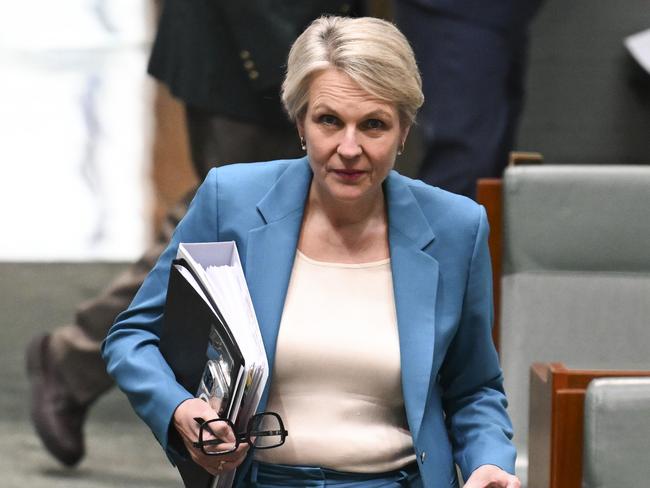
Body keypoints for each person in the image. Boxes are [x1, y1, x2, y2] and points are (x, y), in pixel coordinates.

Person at [102, 16, 520, 487]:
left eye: (374, 125)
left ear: (404, 132)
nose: (349, 147)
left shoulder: (456, 228)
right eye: (329, 121)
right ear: (300, 122)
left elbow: (475, 388)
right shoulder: (231, 201)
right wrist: (180, 410)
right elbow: (133, 336)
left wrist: (489, 462)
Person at [25, 0, 360, 468]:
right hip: (253, 45)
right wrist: (289, 64)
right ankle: (76, 359)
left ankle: (78, 360)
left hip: (291, 42)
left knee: (240, 219)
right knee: (222, 223)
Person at [394, 0, 544, 198]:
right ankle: (437, 229)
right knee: (462, 158)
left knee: (492, 166)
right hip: (457, 11)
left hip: (502, 15)